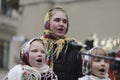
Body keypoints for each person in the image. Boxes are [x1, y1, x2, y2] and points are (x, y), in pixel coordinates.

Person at [40, 7, 85, 80]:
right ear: (48, 23)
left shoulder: (73, 46)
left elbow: (80, 75)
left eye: (64, 21)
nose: (61, 24)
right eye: (57, 20)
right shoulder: (39, 45)